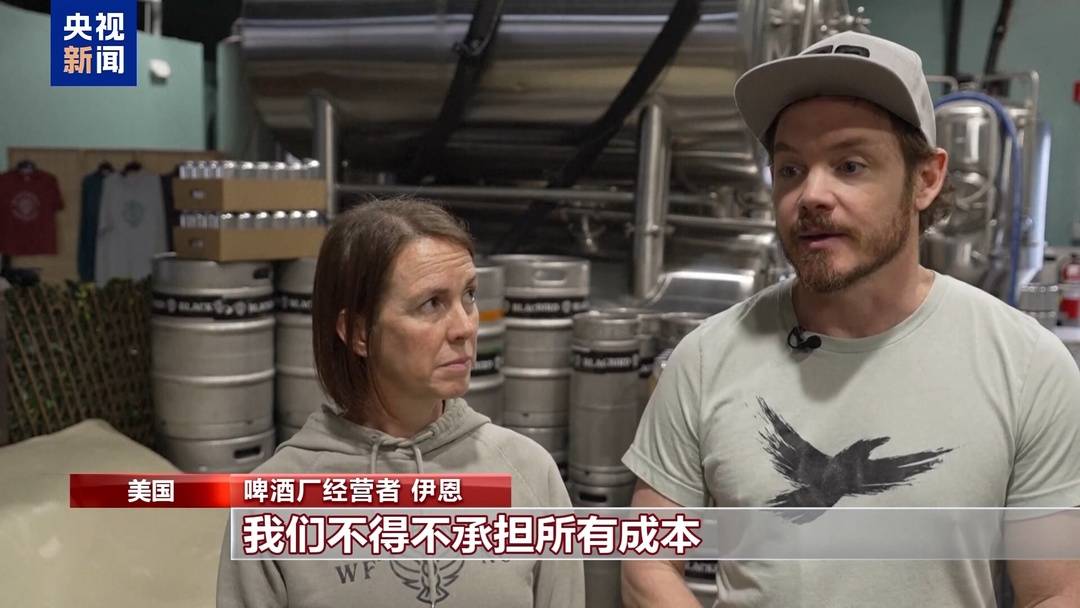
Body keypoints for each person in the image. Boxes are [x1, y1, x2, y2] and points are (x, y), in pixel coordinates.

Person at [621, 31, 1080, 607]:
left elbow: (1055, 591)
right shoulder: (706, 358)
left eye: (850, 165)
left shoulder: (1027, 366)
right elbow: (648, 563)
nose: (811, 194)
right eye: (790, 168)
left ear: (926, 179)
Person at [218, 198, 584, 608]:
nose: (465, 327)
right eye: (432, 303)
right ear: (358, 332)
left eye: (469, 295)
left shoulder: (530, 473)